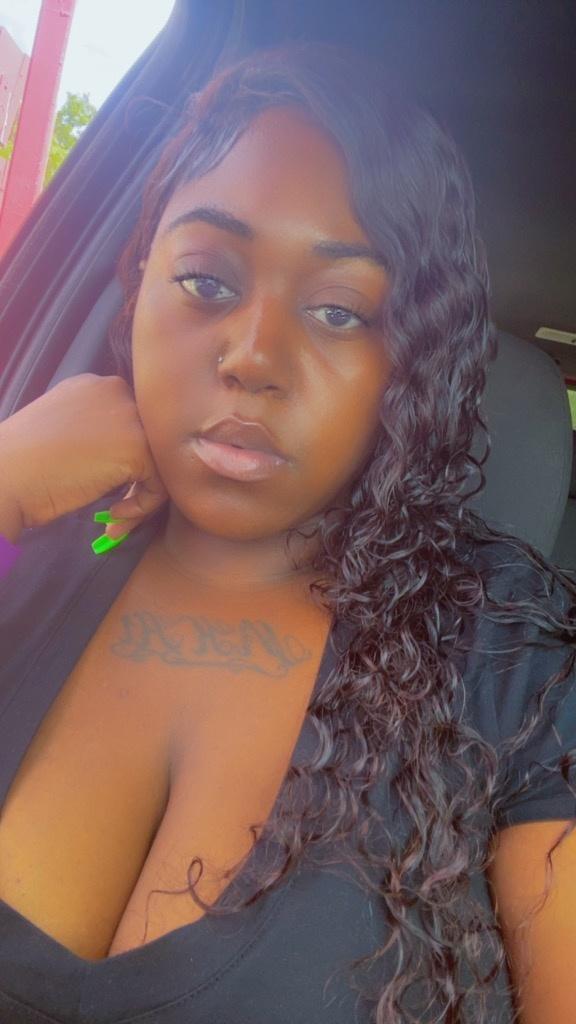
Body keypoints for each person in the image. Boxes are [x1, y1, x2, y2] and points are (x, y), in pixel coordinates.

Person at [0, 40, 574, 1024]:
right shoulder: (33, 545)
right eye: (206, 282)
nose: (254, 357)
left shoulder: (510, 653)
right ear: (137, 284)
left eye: (341, 311)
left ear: (409, 362)